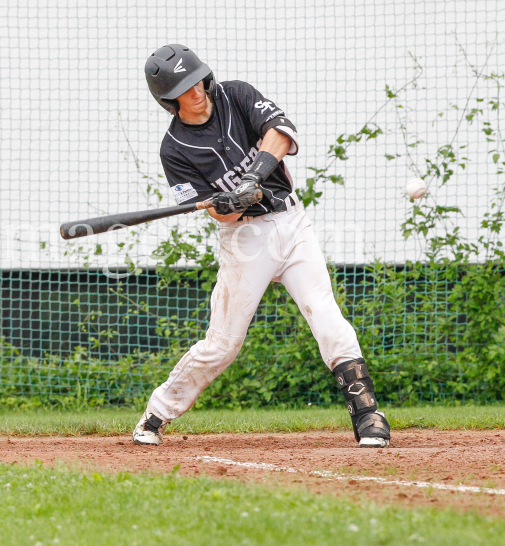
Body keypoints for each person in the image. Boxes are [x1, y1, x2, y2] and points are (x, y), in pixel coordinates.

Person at [133, 45, 391, 448]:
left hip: (292, 223)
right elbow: (218, 215)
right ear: (168, 98)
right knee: (222, 345)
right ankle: (157, 413)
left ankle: (368, 414)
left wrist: (252, 178)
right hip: (245, 241)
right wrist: (230, 206)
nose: (196, 90)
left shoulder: (236, 95)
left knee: (325, 314)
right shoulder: (175, 150)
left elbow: (282, 133)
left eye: (197, 79)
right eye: (184, 87)